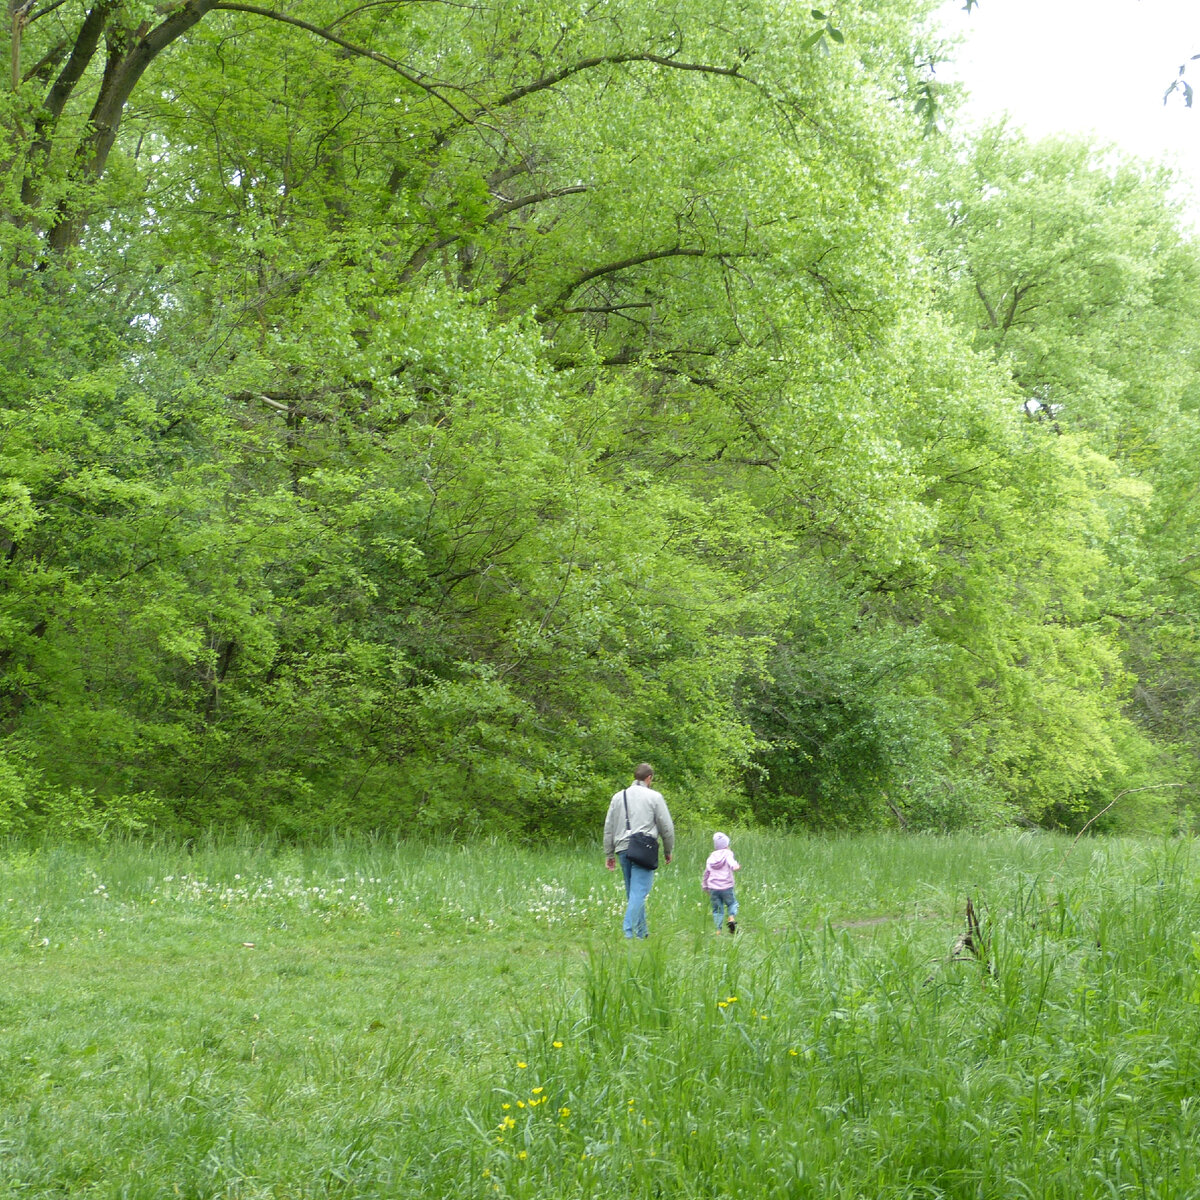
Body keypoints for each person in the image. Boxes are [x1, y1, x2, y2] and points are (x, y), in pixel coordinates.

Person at [603, 763, 674, 939]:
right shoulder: (655, 797)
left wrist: (609, 853)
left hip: (622, 848)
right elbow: (666, 826)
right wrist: (668, 849)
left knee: (633, 894)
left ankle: (642, 933)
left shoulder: (618, 797)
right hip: (644, 849)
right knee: (639, 893)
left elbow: (609, 827)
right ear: (649, 777)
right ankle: (628, 932)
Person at [701, 831, 740, 934]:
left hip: (713, 888)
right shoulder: (728, 853)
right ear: (726, 845)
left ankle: (718, 931)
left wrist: (705, 886)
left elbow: (706, 873)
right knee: (732, 903)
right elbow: (731, 862)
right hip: (727, 886)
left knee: (717, 910)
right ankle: (731, 917)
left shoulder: (711, 857)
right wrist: (735, 866)